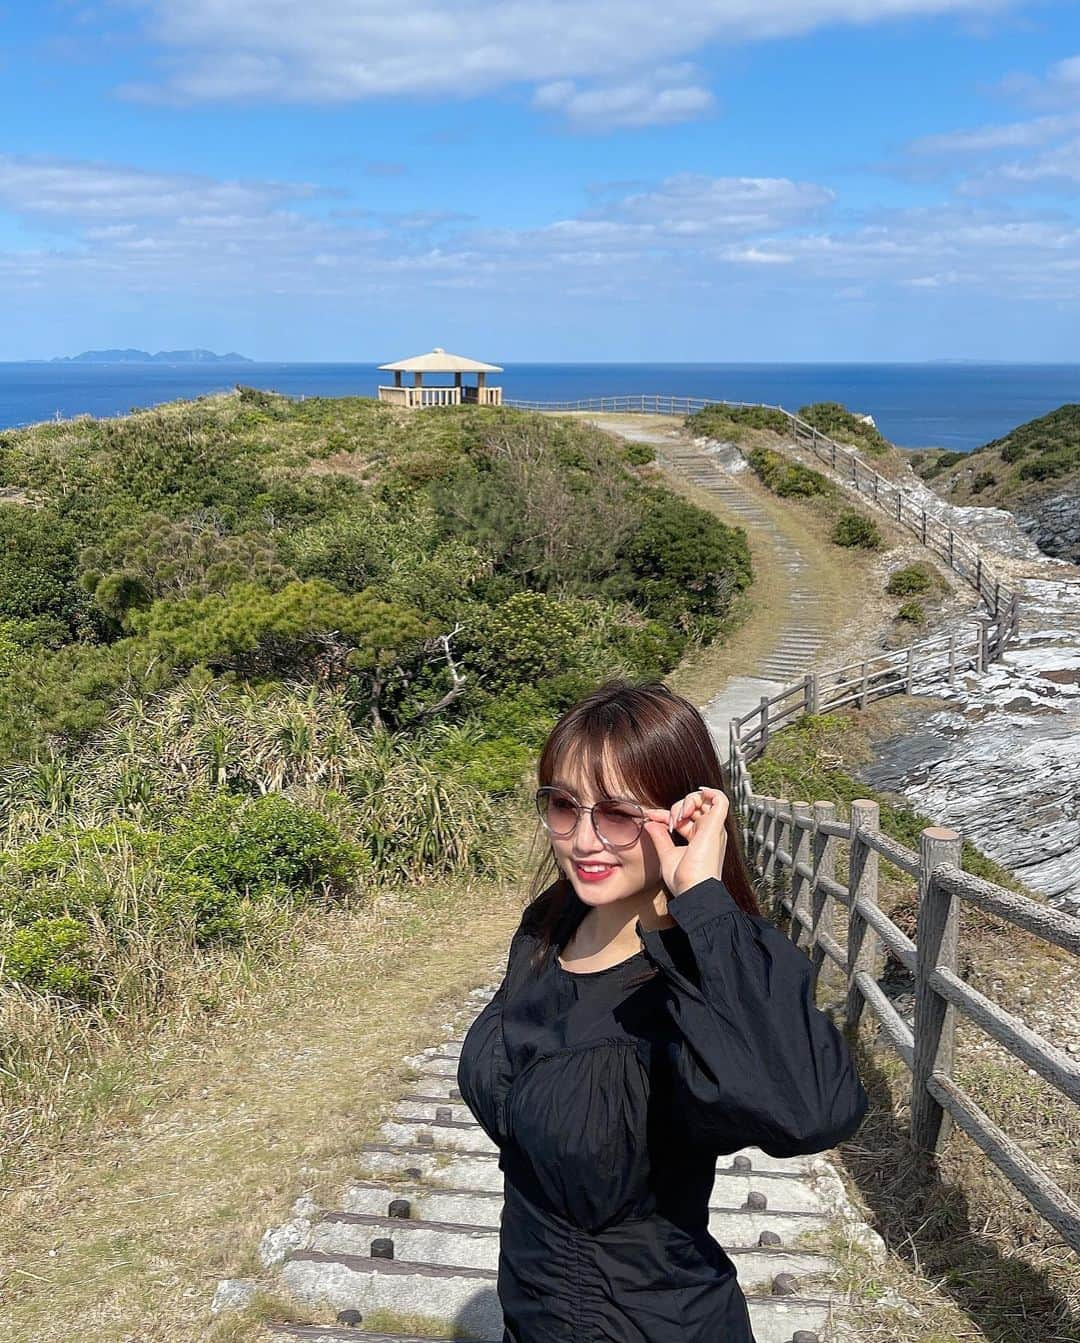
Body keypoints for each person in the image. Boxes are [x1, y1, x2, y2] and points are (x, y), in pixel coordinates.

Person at [457, 678, 870, 1342]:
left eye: (618, 813)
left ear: (683, 816)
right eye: (563, 806)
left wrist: (701, 897)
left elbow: (811, 1109)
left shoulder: (696, 980)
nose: (585, 839)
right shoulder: (549, 926)